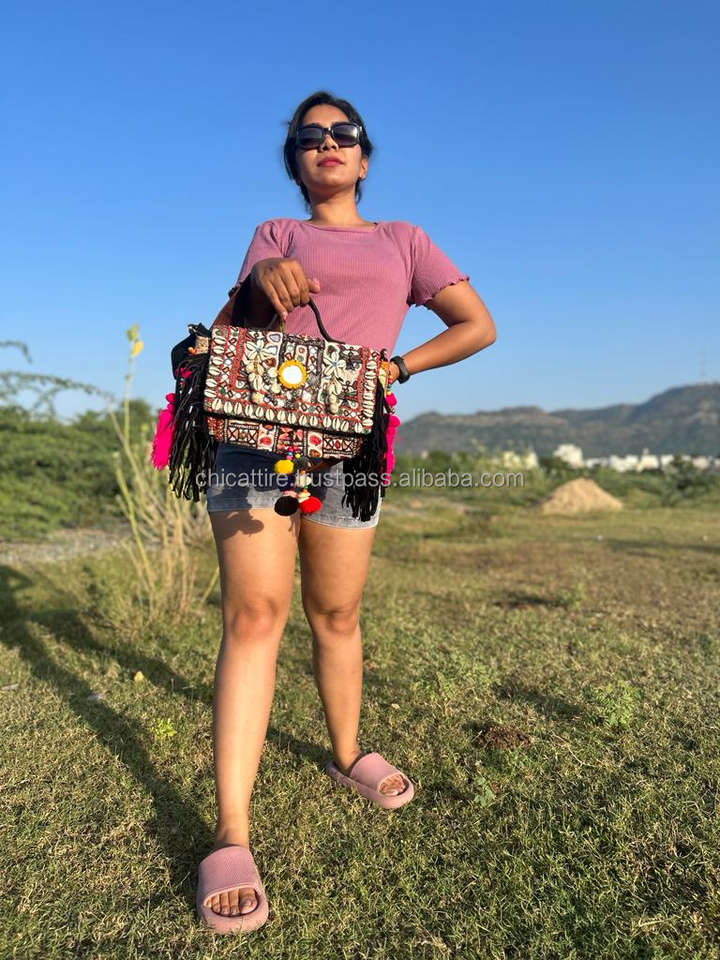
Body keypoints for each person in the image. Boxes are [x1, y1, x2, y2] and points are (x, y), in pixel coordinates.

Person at [195, 90, 497, 935]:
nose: (327, 143)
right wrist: (259, 284)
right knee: (255, 616)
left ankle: (347, 753)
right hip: (256, 442)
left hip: (350, 450)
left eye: (343, 133)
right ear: (295, 162)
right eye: (309, 136)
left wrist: (395, 369)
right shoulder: (276, 233)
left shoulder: (404, 240)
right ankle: (231, 831)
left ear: (364, 156)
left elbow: (476, 325)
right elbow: (230, 333)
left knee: (337, 614)